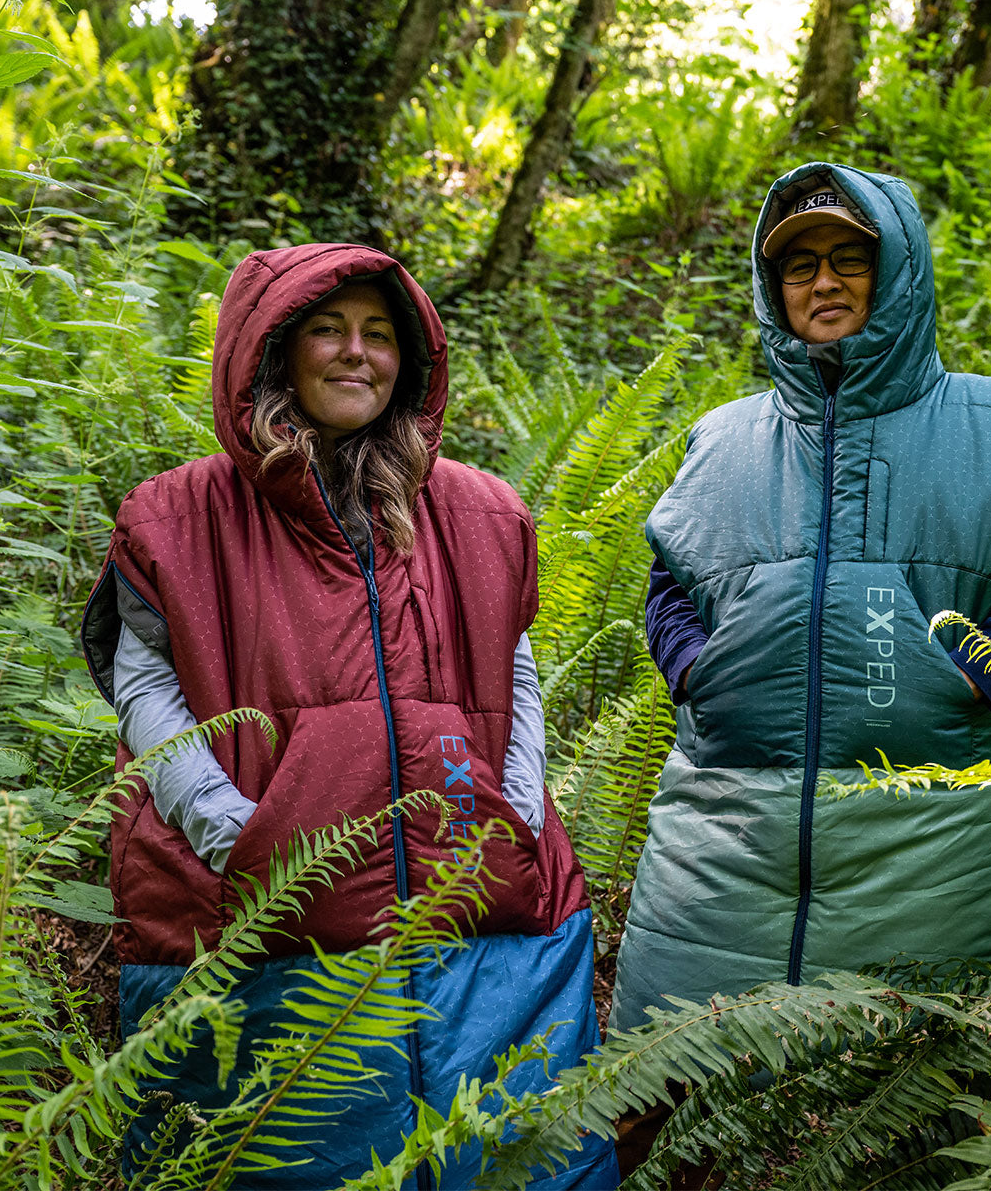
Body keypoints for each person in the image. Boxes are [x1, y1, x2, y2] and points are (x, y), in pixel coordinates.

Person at [81, 243, 620, 1190]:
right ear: (273, 349)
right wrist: (239, 840)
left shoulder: (481, 510)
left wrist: (523, 817)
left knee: (506, 1160)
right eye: (328, 329)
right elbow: (144, 689)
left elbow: (516, 670)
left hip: (489, 910)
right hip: (255, 916)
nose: (355, 352)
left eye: (378, 333)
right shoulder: (179, 516)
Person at [610, 164, 991, 1038]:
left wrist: (963, 677)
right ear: (773, 288)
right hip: (727, 835)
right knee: (678, 1088)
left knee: (917, 1101)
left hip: (937, 829)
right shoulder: (722, 437)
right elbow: (668, 588)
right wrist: (700, 672)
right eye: (800, 266)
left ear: (898, 273)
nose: (824, 282)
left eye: (849, 259)